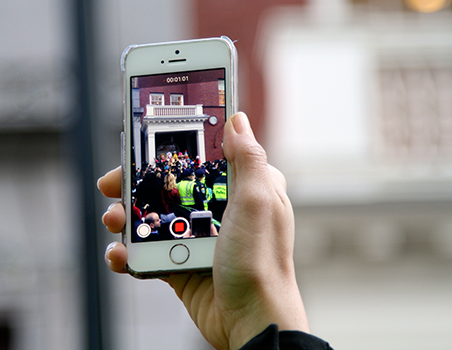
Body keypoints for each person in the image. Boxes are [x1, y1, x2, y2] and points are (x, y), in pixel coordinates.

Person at [98, 112, 333, 350]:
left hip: (183, 214)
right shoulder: (209, 182)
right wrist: (255, 314)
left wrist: (251, 314)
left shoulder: (176, 184)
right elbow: (204, 198)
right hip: (210, 214)